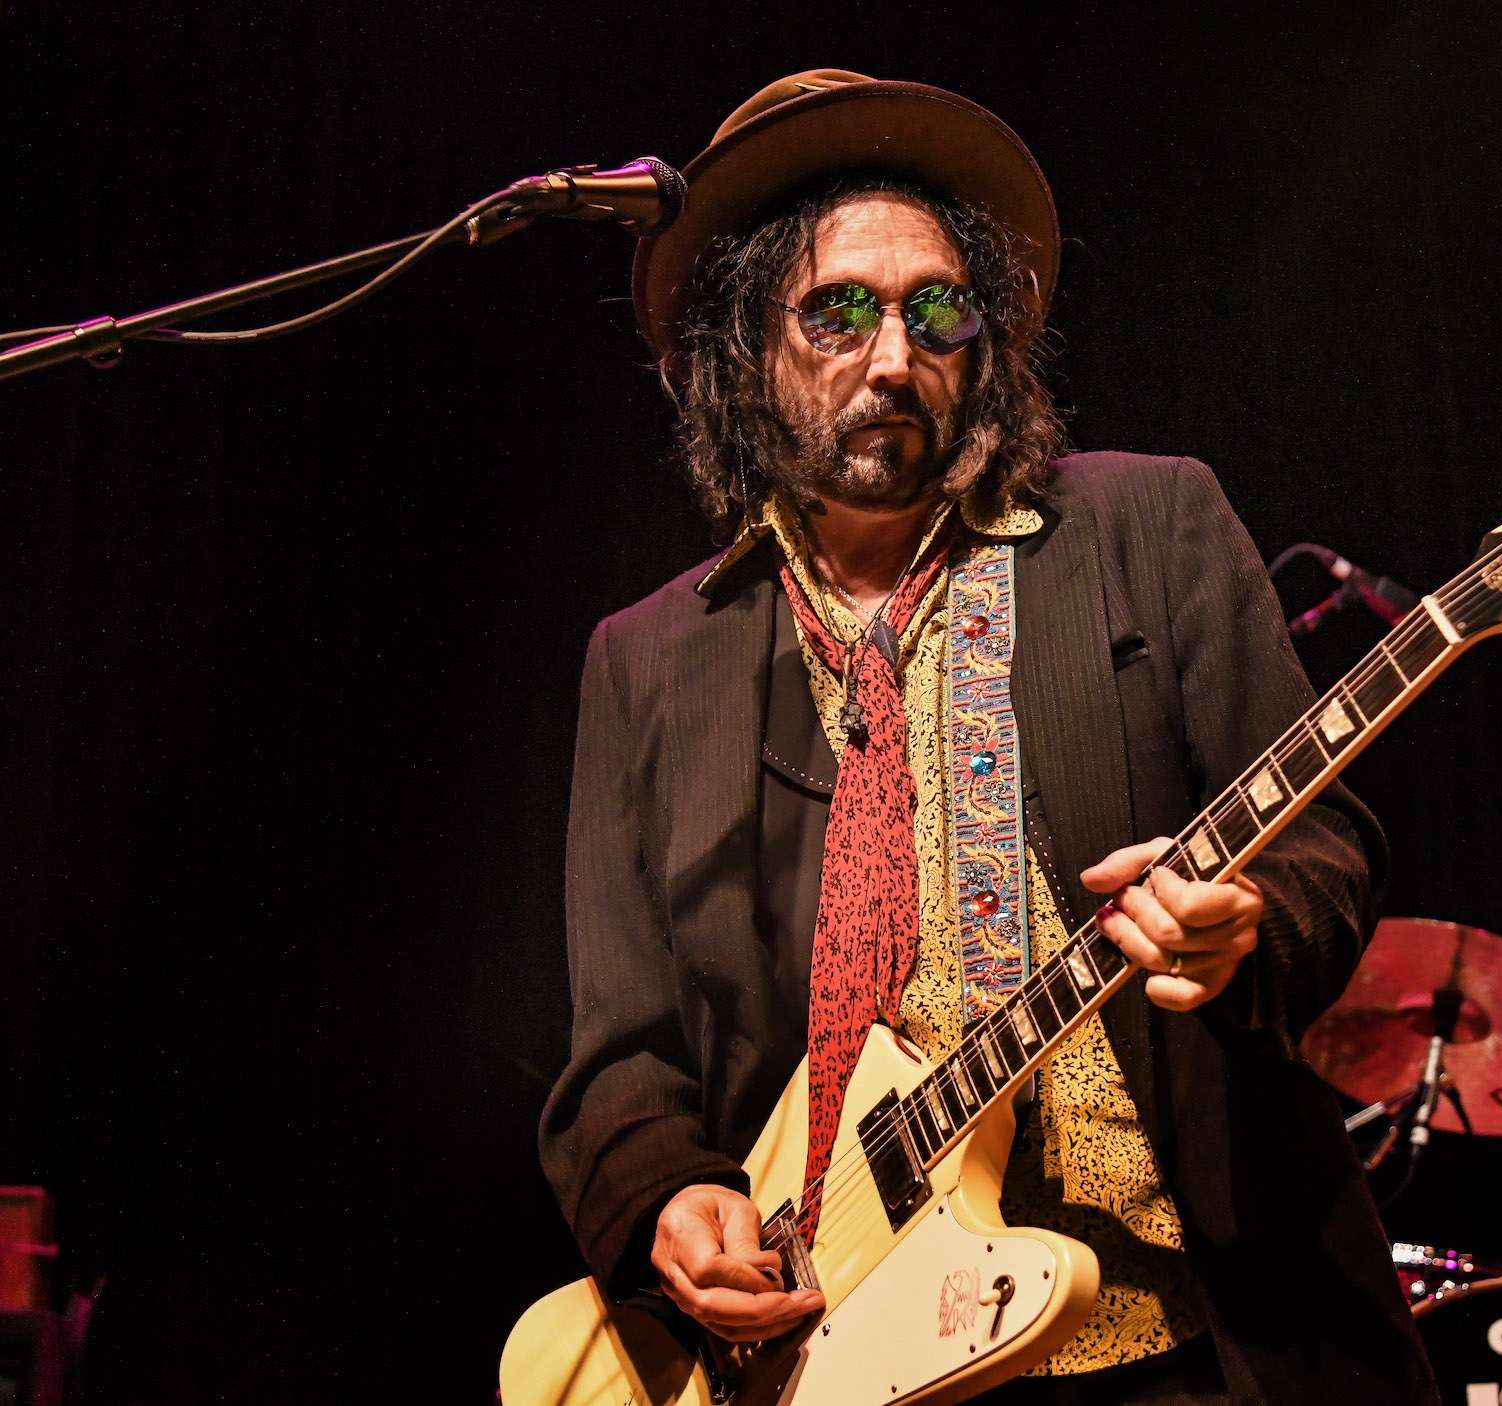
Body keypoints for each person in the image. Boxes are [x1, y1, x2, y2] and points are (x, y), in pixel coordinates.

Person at [535, 71, 1438, 1404]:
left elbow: (1327, 843)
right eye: (838, 311)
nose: (895, 358)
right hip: (832, 1348)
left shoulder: (1149, 526)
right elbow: (619, 1057)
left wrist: (1248, 925)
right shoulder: (650, 660)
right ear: (744, 350)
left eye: (939, 310)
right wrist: (667, 1194)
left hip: (1182, 1338)